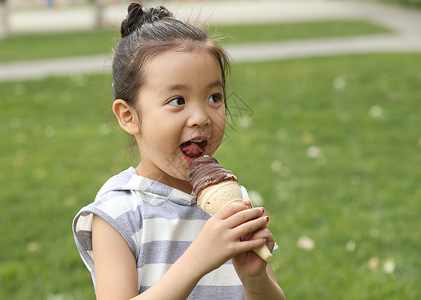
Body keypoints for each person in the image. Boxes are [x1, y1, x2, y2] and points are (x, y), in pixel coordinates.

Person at [73, 3, 285, 299]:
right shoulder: (118, 214)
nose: (201, 116)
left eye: (214, 97)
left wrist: (255, 279)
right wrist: (199, 258)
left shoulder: (234, 202)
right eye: (177, 100)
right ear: (129, 117)